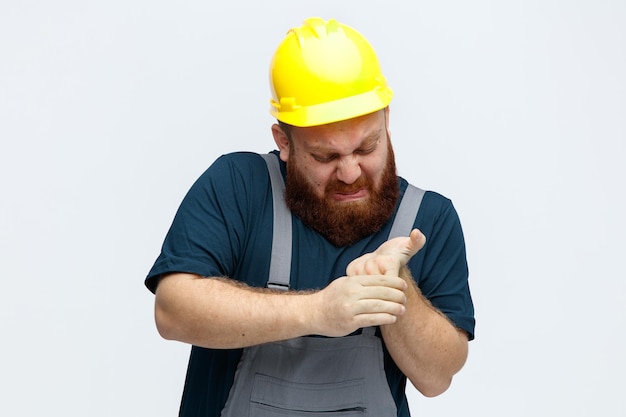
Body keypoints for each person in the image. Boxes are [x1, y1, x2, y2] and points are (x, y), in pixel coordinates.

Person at [146, 17, 475, 417]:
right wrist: (318, 312)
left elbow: (438, 377)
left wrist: (395, 287)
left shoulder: (428, 218)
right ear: (283, 141)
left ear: (387, 119)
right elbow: (172, 310)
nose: (351, 172)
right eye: (326, 156)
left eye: (367, 147)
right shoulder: (238, 186)